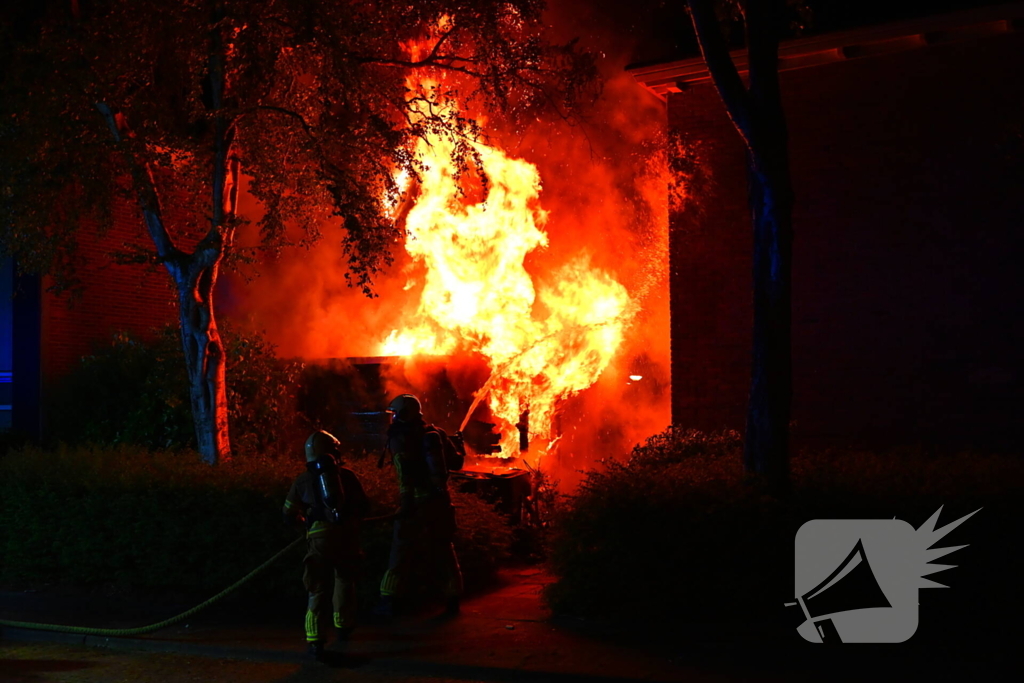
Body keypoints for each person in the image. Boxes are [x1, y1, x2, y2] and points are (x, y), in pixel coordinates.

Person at [376, 394, 464, 618]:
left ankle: (388, 602)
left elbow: (405, 475)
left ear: (405, 413)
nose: (393, 418)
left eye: (395, 413)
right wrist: (459, 445)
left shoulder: (399, 438)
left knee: (400, 552)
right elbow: (456, 463)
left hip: (414, 503)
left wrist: (405, 504)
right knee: (444, 549)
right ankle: (453, 599)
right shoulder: (437, 434)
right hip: (440, 501)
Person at [283, 430, 369, 659]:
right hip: (346, 537)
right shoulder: (348, 476)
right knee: (344, 580)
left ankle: (315, 640)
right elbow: (364, 507)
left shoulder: (303, 480)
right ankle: (343, 626)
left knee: (317, 589)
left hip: (319, 540)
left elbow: (288, 512)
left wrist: (304, 525)